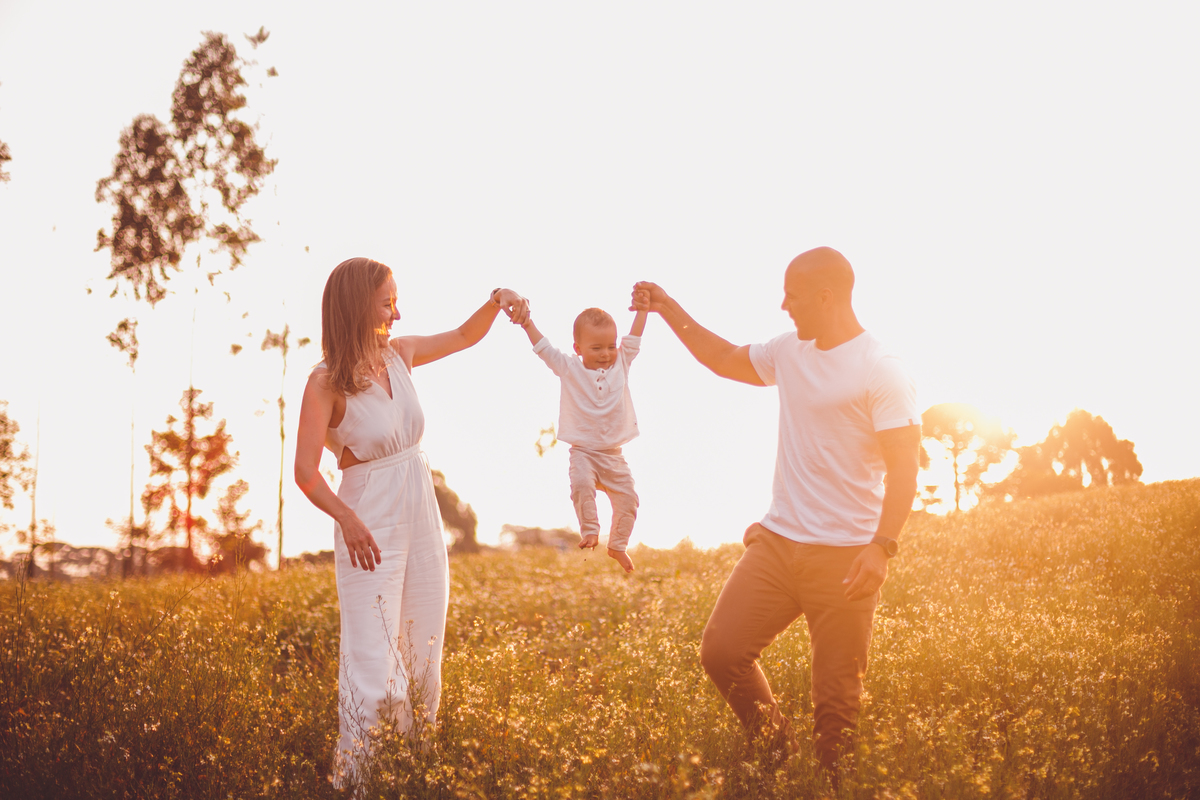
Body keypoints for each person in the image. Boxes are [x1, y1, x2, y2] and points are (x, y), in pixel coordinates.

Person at [634, 247, 920, 783]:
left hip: (846, 556)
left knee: (836, 712)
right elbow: (721, 358)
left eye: (792, 294)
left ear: (825, 296)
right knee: (722, 652)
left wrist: (881, 547)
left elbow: (905, 468)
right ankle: (779, 753)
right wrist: (666, 307)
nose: (783, 305)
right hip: (778, 543)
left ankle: (830, 786)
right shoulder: (790, 352)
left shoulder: (880, 368)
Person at [294, 257, 527, 786]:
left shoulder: (401, 354)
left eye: (395, 301)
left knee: (423, 647)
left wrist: (498, 301)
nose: (397, 313)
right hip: (368, 517)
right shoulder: (325, 382)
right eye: (386, 302)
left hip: (420, 510)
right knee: (372, 656)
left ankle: (414, 769)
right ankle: (357, 781)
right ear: (357, 307)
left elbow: (466, 335)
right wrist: (347, 519)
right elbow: (305, 472)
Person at [518, 297, 649, 573]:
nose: (606, 353)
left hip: (614, 455)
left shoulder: (621, 363)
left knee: (629, 500)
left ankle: (617, 545)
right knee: (580, 484)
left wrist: (643, 310)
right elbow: (543, 349)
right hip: (584, 452)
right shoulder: (569, 367)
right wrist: (527, 323)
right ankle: (590, 530)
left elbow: (635, 337)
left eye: (611, 346)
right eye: (597, 347)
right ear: (578, 348)